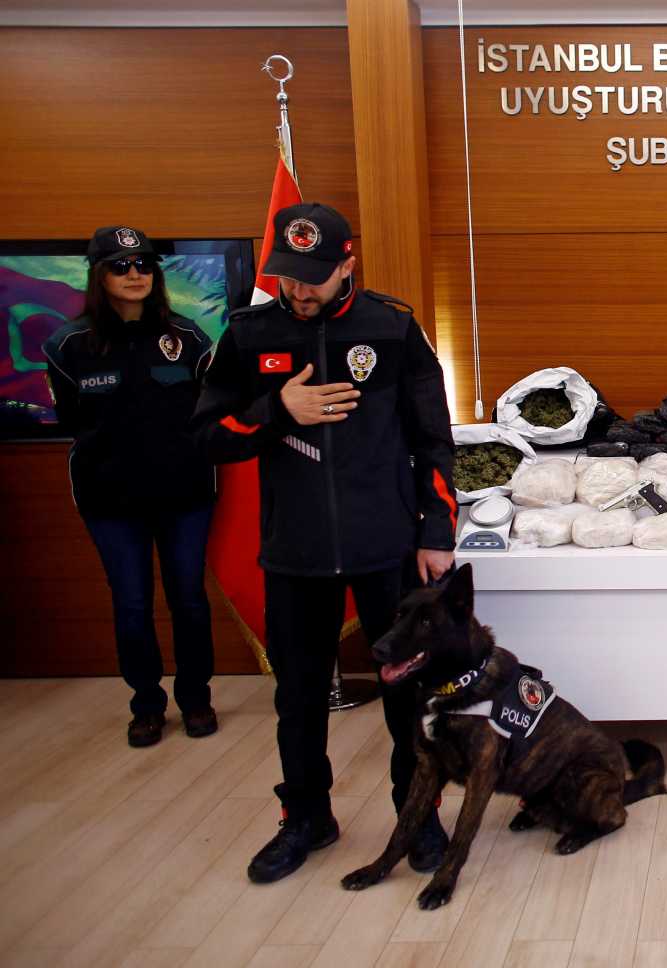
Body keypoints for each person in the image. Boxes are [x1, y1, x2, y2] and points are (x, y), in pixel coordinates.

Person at [192, 202, 459, 884]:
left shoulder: (391, 328)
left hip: (386, 545)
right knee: (300, 697)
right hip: (296, 548)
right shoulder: (250, 334)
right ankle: (306, 816)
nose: (297, 290)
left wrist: (436, 531)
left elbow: (433, 440)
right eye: (286, 275)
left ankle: (417, 813)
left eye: (311, 276)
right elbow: (207, 436)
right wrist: (277, 410)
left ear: (347, 265)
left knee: (408, 695)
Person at [42, 226, 219, 748]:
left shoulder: (189, 338)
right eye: (121, 266)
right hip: (111, 501)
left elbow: (211, 411)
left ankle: (196, 699)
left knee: (189, 600)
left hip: (185, 495)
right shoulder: (67, 346)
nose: (135, 274)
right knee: (132, 605)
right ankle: (146, 704)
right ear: (99, 276)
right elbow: (73, 421)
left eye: (144, 264)